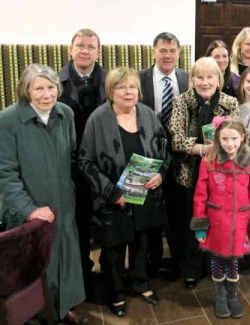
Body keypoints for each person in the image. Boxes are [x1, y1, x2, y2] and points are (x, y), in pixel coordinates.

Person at [0, 64, 87, 324]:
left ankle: (62, 308)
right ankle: (37, 314)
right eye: (39, 88)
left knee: (64, 257)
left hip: (63, 202)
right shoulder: (7, 120)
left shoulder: (66, 114)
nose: (46, 94)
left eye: (51, 87)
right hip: (30, 209)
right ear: (26, 90)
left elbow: (71, 156)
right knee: (34, 266)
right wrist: (29, 209)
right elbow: (5, 175)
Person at [78, 67, 167, 317]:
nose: (128, 92)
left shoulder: (148, 114)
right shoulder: (98, 118)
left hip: (145, 193)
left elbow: (163, 147)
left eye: (132, 87)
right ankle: (116, 292)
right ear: (111, 91)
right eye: (121, 87)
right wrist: (112, 192)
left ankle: (140, 283)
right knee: (114, 248)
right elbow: (85, 161)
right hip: (112, 198)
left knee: (142, 242)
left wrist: (161, 174)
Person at [169, 57, 239, 290]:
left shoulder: (230, 102)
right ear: (192, 80)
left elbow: (238, 135)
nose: (205, 82)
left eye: (210, 77)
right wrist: (203, 149)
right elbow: (176, 139)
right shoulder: (181, 102)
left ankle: (215, 265)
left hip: (221, 174)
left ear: (219, 79)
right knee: (193, 220)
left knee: (218, 220)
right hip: (190, 172)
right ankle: (190, 269)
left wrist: (225, 146)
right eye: (199, 77)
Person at [190, 117, 250, 319]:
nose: (230, 143)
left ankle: (232, 295)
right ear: (218, 139)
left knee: (233, 260)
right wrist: (200, 225)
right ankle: (220, 296)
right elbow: (200, 195)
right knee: (217, 258)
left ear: (242, 138)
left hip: (240, 224)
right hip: (216, 223)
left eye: (234, 138)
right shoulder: (208, 163)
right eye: (224, 139)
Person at [58, 28, 106, 287]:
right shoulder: (55, 82)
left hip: (104, 162)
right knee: (76, 221)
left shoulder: (110, 80)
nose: (85, 50)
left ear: (98, 51)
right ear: (71, 49)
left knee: (106, 219)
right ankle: (82, 275)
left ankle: (111, 275)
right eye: (80, 46)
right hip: (71, 164)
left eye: (91, 46)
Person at [139, 31, 189, 275]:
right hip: (147, 154)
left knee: (179, 208)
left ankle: (179, 257)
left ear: (179, 53)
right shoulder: (139, 80)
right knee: (148, 209)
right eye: (162, 50)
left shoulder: (188, 79)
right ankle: (151, 261)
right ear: (153, 52)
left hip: (181, 155)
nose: (167, 55)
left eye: (172, 51)